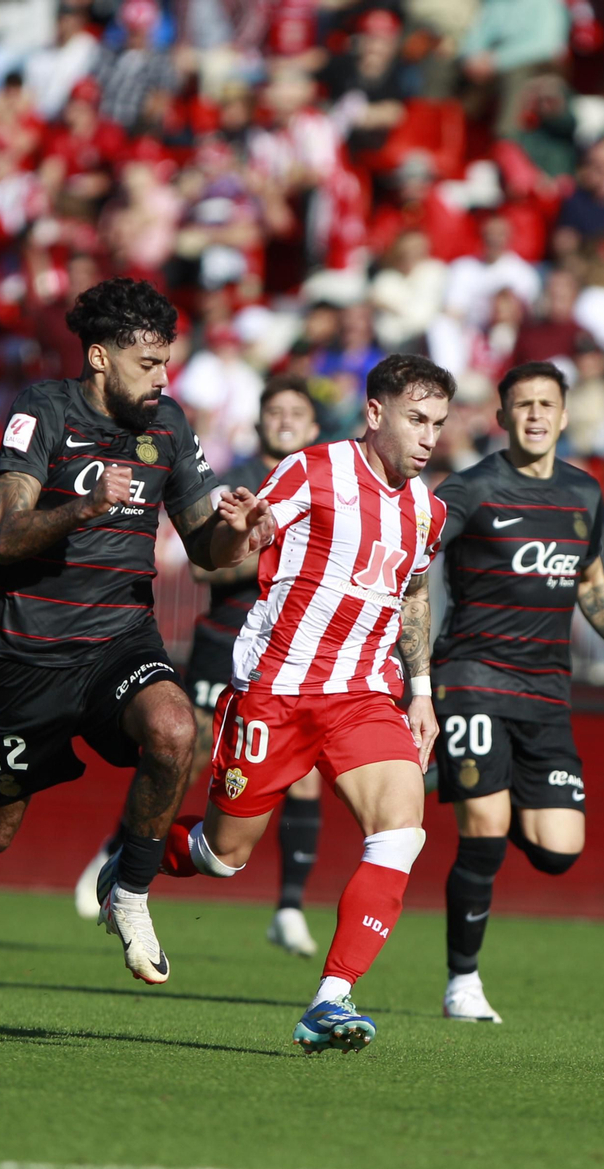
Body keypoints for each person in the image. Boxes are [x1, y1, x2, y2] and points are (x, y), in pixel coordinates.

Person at [0, 278, 261, 1001]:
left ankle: (128, 888)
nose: (162, 378)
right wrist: (86, 507)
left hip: (120, 637)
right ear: (99, 358)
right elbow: (6, 534)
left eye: (167, 362)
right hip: (30, 653)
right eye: (147, 363)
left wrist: (238, 531)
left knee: (174, 730)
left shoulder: (170, 427)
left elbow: (205, 552)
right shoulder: (42, 410)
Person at [152, 353, 455, 1055]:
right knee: (223, 857)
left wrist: (421, 690)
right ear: (374, 414)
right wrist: (241, 526)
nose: (428, 436)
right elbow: (229, 550)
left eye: (438, 423)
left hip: (361, 695)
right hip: (277, 692)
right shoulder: (311, 471)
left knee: (402, 830)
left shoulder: (427, 510)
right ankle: (140, 858)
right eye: (416, 419)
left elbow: (410, 590)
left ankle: (332, 997)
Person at [432, 361, 604, 1023]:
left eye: (546, 404)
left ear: (564, 415)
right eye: (522, 405)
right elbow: (413, 566)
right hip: (471, 678)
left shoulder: (583, 493)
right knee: (486, 829)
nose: (534, 415)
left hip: (545, 691)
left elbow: (588, 578)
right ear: (503, 417)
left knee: (560, 851)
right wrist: (415, 676)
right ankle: (462, 983)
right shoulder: (470, 490)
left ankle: (476, 792)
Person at [72, 377, 328, 959]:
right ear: (259, 422)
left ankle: (288, 908)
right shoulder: (233, 477)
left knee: (306, 768)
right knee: (194, 749)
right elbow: (206, 566)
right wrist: (266, 548)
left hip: (295, 641)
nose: (285, 420)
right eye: (274, 411)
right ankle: (121, 847)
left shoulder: (325, 478)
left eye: (297, 413)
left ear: (314, 428)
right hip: (230, 634)